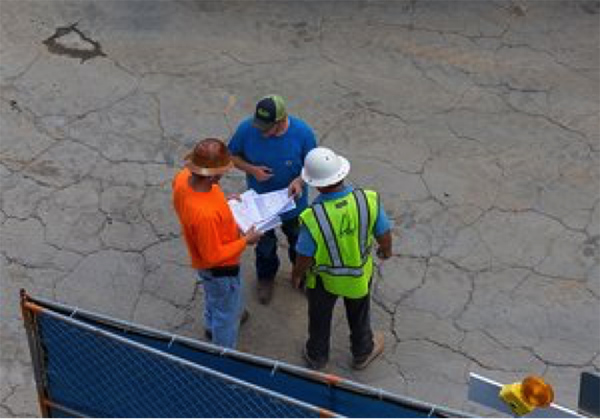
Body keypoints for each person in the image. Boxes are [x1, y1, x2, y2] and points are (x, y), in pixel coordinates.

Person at [291, 147, 393, 370]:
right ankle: (362, 352)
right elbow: (383, 232)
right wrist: (386, 250)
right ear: (342, 173)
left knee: (319, 317)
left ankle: (316, 356)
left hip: (322, 281)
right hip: (357, 276)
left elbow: (304, 255)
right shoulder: (367, 200)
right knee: (359, 314)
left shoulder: (313, 216)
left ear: (315, 184)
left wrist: (297, 275)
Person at [172, 138, 262, 349]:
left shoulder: (183, 178)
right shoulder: (205, 215)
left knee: (215, 297)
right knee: (226, 315)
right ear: (214, 175)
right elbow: (212, 256)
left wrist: (224, 200)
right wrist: (245, 240)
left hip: (206, 267)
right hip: (220, 269)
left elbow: (205, 197)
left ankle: (211, 325)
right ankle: (223, 351)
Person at [228, 94, 317, 305]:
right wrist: (252, 169)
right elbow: (231, 156)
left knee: (299, 241)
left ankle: (301, 275)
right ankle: (266, 277)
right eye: (260, 126)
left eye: (267, 128)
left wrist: (299, 181)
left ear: (281, 121)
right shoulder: (247, 129)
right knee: (265, 245)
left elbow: (313, 166)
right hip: (260, 206)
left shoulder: (303, 133)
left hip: (293, 205)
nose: (262, 132)